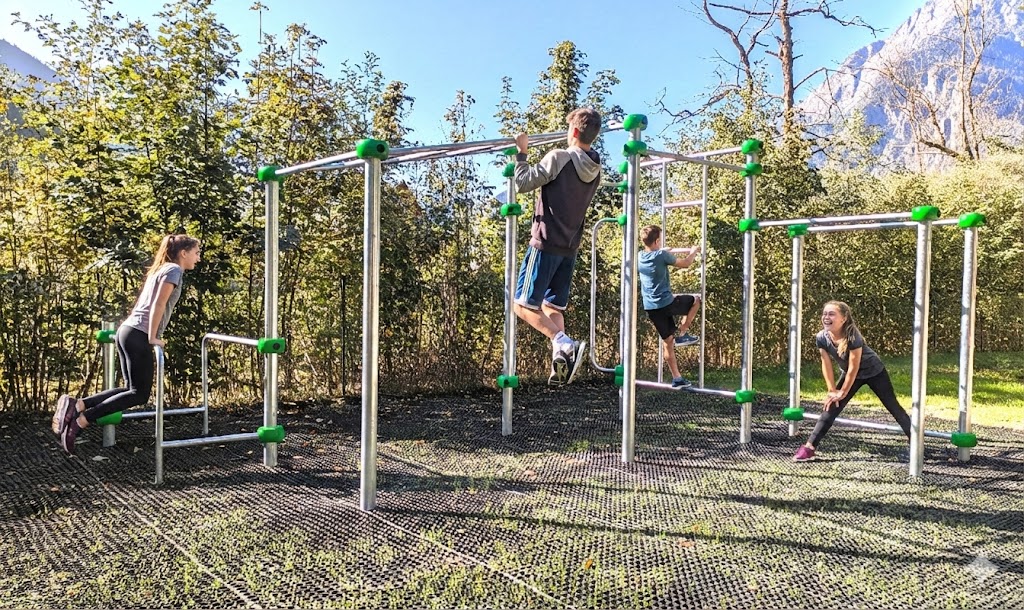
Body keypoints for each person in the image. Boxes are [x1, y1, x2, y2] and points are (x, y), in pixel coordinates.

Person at [52, 234, 201, 454]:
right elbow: (158, 304)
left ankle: (79, 405)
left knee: (130, 389)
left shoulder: (160, 269)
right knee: (139, 394)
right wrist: (152, 337)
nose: (198, 258)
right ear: (183, 253)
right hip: (139, 333)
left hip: (128, 331)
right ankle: (81, 420)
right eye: (196, 253)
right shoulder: (173, 270)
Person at [512, 108, 602, 386]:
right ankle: (561, 357)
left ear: (573, 132)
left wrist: (522, 153)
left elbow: (523, 183)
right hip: (569, 246)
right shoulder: (596, 167)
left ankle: (563, 342)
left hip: (545, 242)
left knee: (521, 305)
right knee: (553, 307)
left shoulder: (559, 157)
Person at [793, 300, 911, 462]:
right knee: (831, 405)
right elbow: (825, 364)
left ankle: (916, 442)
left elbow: (854, 368)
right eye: (825, 314)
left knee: (893, 406)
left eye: (831, 314)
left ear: (843, 318)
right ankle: (809, 447)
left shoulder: (853, 336)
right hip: (849, 373)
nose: (826, 317)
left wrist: (843, 392)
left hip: (874, 372)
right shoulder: (821, 337)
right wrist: (832, 390)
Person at [637, 225, 702, 388]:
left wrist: (663, 251)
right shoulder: (661, 256)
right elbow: (686, 263)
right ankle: (684, 332)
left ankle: (677, 378)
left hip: (651, 307)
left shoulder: (639, 256)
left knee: (668, 342)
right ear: (657, 241)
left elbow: (655, 257)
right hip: (666, 303)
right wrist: (693, 251)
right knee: (696, 299)